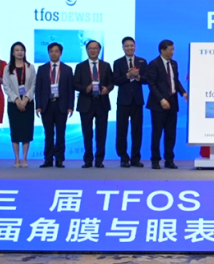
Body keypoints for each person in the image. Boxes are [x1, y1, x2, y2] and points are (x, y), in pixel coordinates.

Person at [144, 39, 187, 169]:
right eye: (170, 50)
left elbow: (175, 81)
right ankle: (155, 160)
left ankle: (169, 160)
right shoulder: (154, 64)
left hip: (173, 102)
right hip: (158, 104)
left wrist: (183, 93)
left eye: (173, 49)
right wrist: (161, 100)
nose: (172, 52)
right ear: (162, 50)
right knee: (157, 133)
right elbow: (152, 85)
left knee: (171, 133)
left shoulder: (174, 64)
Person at [35, 42, 74, 168]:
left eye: (56, 51)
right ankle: (48, 159)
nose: (54, 53)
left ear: (60, 53)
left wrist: (70, 106)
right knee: (48, 134)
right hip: (46, 105)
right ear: (48, 53)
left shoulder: (67, 69)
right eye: (51, 51)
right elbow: (38, 89)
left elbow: (70, 90)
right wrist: (38, 106)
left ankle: (59, 159)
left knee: (61, 134)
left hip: (61, 105)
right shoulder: (42, 69)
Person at [76, 40, 114, 168]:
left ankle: (99, 160)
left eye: (95, 48)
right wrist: (85, 88)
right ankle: (88, 160)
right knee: (87, 133)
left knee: (101, 133)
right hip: (86, 103)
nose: (92, 50)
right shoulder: (80, 66)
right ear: (87, 50)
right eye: (90, 48)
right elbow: (75, 84)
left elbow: (111, 82)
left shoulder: (106, 65)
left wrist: (107, 89)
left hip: (102, 102)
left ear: (99, 50)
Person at [112, 36, 148, 168]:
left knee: (137, 131)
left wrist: (137, 76)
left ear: (135, 46)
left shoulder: (142, 61)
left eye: (131, 45)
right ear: (123, 48)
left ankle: (135, 158)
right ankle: (123, 157)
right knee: (122, 130)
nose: (129, 48)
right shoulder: (118, 62)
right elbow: (115, 81)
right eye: (126, 46)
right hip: (123, 101)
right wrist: (127, 76)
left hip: (137, 101)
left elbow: (147, 80)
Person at [4, 41, 36, 169]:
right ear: (12, 52)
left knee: (27, 131)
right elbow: (6, 86)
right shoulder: (7, 68)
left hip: (28, 103)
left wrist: (26, 99)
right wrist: (17, 100)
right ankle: (16, 158)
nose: (19, 52)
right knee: (15, 130)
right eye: (17, 50)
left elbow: (33, 85)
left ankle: (24, 158)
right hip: (13, 104)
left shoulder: (30, 67)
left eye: (21, 50)